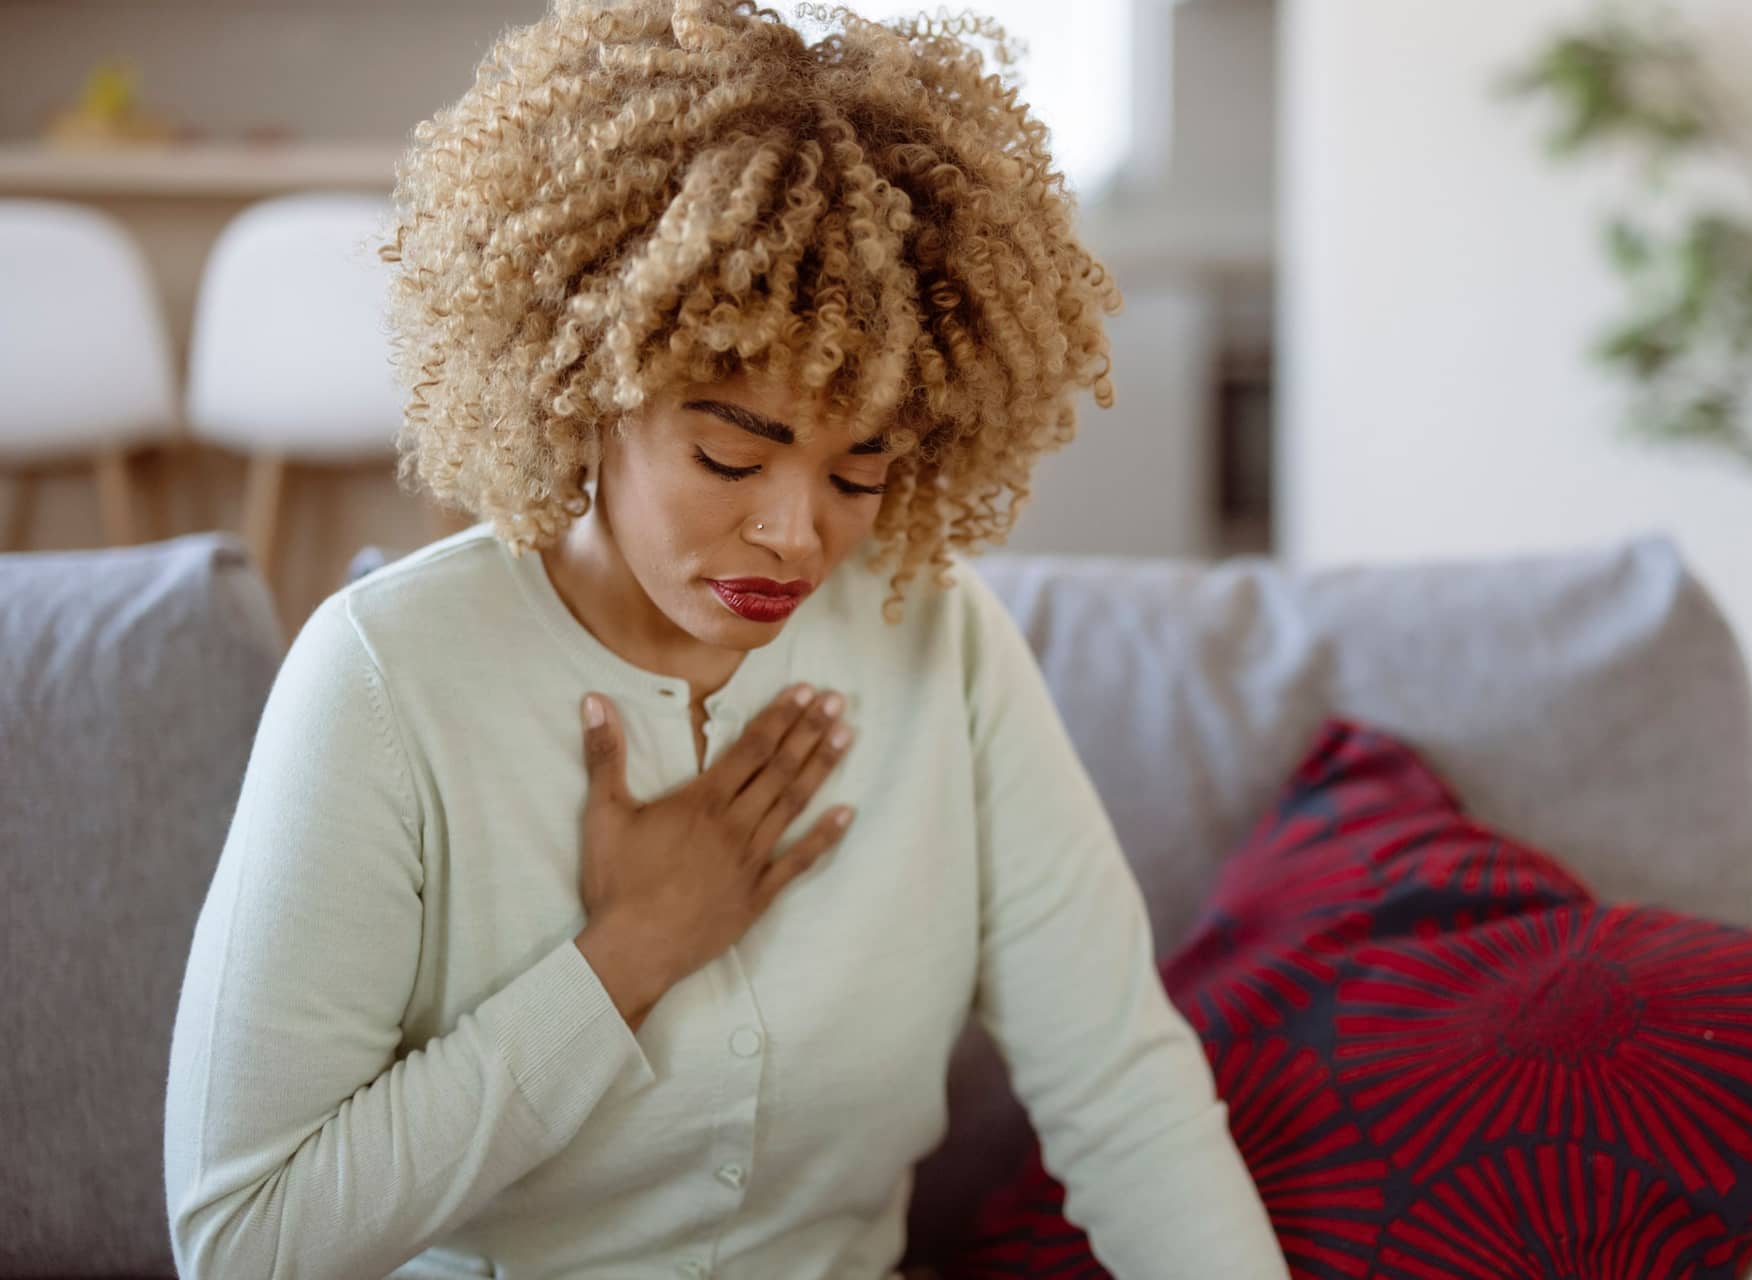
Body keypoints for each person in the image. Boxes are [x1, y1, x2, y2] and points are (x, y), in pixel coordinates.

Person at [162, 2, 1289, 1277]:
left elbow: (1123, 1093)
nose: (796, 533)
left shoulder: (940, 643)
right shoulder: (386, 676)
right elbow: (241, 1238)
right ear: (582, 379)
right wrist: (622, 959)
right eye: (728, 452)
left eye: (859, 470)